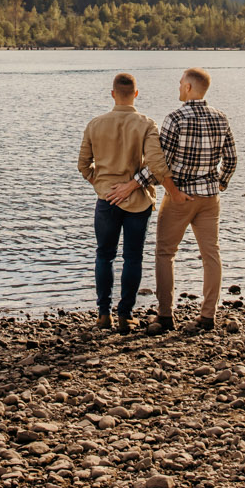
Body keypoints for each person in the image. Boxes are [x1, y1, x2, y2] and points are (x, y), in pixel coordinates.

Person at [142, 66, 237, 334]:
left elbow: (161, 163)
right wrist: (220, 183)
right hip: (210, 198)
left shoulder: (175, 118)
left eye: (181, 82)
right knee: (211, 254)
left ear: (188, 87)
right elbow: (231, 159)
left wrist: (133, 184)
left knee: (165, 253)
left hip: (179, 197)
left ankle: (165, 316)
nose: (178, 85)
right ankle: (207, 316)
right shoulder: (221, 117)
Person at [78, 72, 167, 334]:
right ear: (136, 94)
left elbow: (83, 165)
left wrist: (101, 184)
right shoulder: (146, 124)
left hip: (106, 199)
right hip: (137, 201)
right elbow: (157, 165)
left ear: (113, 94)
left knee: (104, 255)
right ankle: (125, 315)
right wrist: (134, 185)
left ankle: (103, 313)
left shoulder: (95, 124)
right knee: (133, 258)